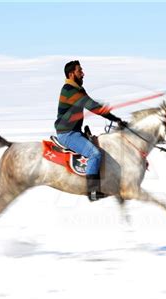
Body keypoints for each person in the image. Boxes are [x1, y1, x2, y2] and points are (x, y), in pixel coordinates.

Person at [54, 60, 127, 201]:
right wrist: (112, 117)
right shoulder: (69, 90)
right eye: (79, 71)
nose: (83, 74)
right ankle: (92, 192)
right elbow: (91, 106)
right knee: (95, 154)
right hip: (67, 133)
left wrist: (112, 117)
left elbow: (92, 104)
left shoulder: (78, 89)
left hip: (75, 130)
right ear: (71, 74)